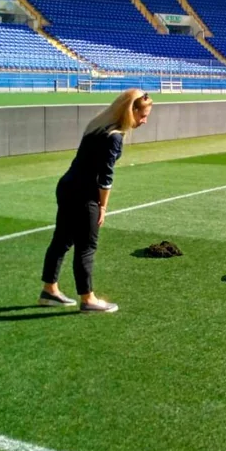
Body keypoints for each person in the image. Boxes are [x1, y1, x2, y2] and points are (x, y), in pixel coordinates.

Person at [39, 88, 153, 313]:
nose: (145, 121)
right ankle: (88, 300)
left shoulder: (97, 126)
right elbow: (105, 177)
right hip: (83, 194)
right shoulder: (114, 137)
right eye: (143, 115)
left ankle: (49, 291)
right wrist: (103, 206)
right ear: (131, 111)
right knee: (86, 246)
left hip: (67, 187)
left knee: (61, 240)